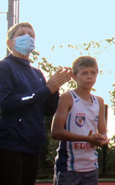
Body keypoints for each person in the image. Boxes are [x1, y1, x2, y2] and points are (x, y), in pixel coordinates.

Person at [0, 22, 72, 185]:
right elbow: (7, 103)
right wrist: (47, 90)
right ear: (10, 42)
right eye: (21, 34)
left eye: (31, 35)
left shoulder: (37, 73)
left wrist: (55, 89)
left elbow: (47, 109)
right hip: (10, 145)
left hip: (32, 145)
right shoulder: (4, 68)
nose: (27, 38)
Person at [51, 56, 108, 185]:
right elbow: (56, 132)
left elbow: (103, 132)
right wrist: (87, 139)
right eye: (84, 73)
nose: (89, 77)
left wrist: (102, 139)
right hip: (69, 168)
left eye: (93, 73)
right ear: (74, 76)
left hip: (91, 167)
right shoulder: (67, 98)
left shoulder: (99, 101)